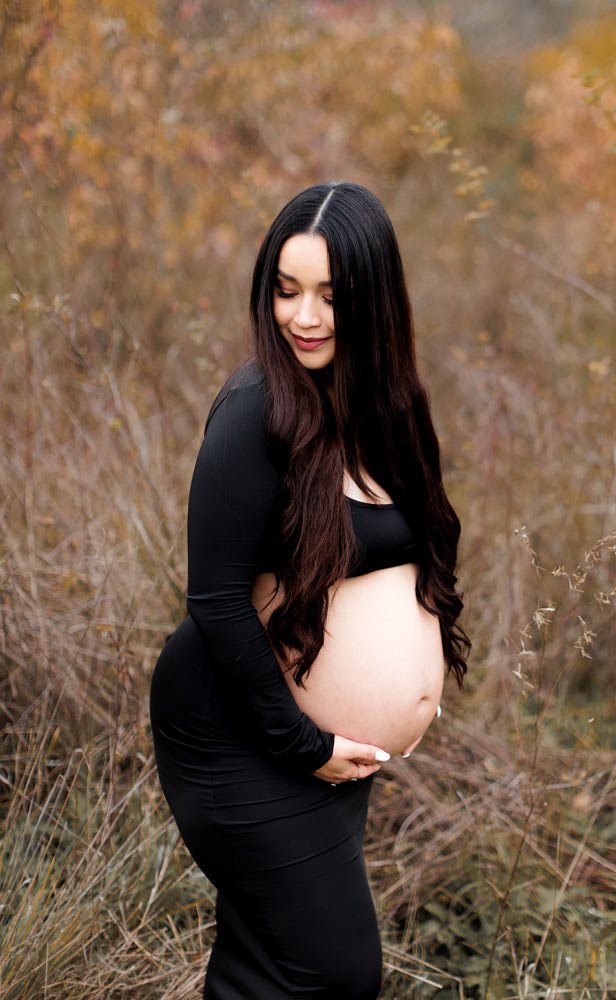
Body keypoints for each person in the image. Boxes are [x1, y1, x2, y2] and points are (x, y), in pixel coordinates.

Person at [149, 181, 469, 999]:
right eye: (285, 291)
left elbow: (415, 543)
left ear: (375, 298)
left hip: (318, 744)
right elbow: (216, 601)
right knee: (334, 971)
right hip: (239, 734)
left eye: (331, 295)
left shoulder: (384, 406)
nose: (303, 317)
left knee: (268, 966)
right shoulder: (258, 407)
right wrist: (308, 747)